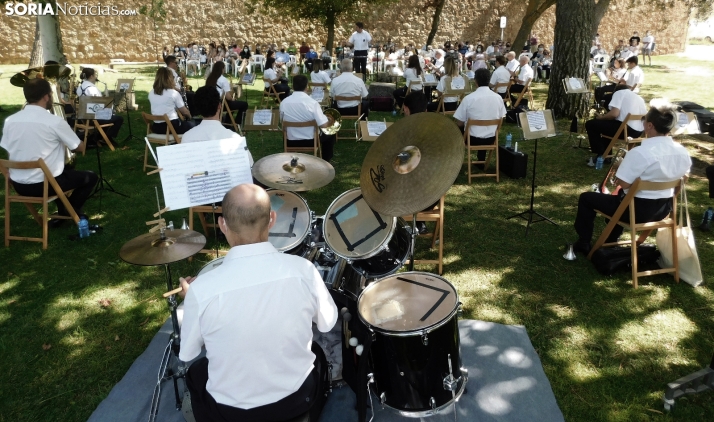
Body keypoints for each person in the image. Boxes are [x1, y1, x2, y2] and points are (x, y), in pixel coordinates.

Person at [179, 183, 337, 422]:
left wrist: (191, 299)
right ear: (272, 219)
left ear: (223, 224)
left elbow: (189, 351)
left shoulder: (201, 290)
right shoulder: (303, 270)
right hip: (295, 399)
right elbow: (326, 324)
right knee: (317, 354)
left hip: (230, 412)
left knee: (196, 372)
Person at [572, 102, 692, 254]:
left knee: (587, 198)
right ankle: (611, 240)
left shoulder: (641, 152)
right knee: (619, 198)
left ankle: (584, 242)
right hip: (662, 210)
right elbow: (681, 176)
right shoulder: (682, 152)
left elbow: (624, 184)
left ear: (649, 125)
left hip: (635, 211)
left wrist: (620, 166)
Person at [1, 79, 97, 226]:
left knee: (62, 171)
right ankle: (69, 210)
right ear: (46, 96)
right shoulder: (54, 121)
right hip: (45, 184)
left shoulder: (10, 121)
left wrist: (9, 174)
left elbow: (9, 150)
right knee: (90, 177)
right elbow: (80, 147)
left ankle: (64, 210)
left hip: (19, 184)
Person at [180, 86, 253, 165]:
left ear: (198, 108)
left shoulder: (187, 137)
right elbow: (250, 165)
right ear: (220, 106)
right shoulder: (234, 138)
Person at [454, 68, 507, 163]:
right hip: (491, 138)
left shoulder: (469, 99)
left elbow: (459, 123)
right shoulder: (498, 98)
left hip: (471, 139)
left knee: (457, 128)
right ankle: (481, 159)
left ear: (476, 81)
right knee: (484, 126)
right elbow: (501, 118)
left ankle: (457, 159)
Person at [280, 75, 337, 162]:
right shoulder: (313, 103)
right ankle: (326, 160)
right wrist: (328, 120)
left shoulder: (284, 103)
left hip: (290, 140)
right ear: (307, 87)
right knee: (330, 132)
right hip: (311, 140)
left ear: (292, 86)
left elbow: (282, 121)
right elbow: (324, 125)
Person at [584, 85, 646, 163]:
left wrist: (601, 118)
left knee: (590, 124)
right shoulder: (638, 97)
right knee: (607, 127)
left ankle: (601, 155)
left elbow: (614, 114)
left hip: (625, 129)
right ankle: (607, 156)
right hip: (638, 132)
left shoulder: (619, 93)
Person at [75, 67, 123, 141]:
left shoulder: (80, 88)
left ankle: (101, 136)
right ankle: (107, 138)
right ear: (91, 76)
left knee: (108, 116)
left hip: (83, 117)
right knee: (119, 119)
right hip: (93, 118)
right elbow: (101, 104)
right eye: (95, 75)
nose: (95, 77)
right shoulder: (92, 88)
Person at [148, 67, 195, 135]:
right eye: (173, 77)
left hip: (157, 128)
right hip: (172, 127)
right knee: (196, 124)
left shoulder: (151, 93)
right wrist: (190, 117)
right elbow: (184, 112)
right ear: (170, 79)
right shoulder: (173, 93)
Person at [205, 61, 249, 126]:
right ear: (222, 69)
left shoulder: (209, 78)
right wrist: (232, 99)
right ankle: (237, 123)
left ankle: (228, 121)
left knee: (232, 104)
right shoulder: (223, 79)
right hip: (220, 104)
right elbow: (228, 97)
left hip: (210, 103)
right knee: (244, 104)